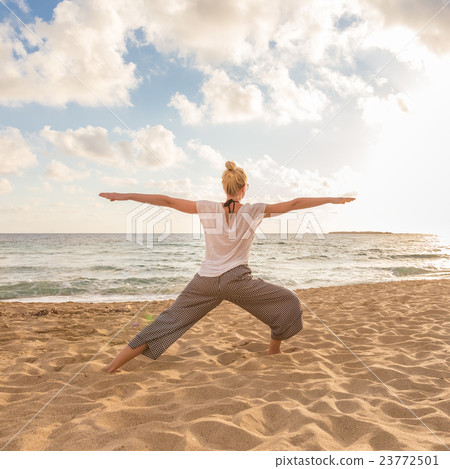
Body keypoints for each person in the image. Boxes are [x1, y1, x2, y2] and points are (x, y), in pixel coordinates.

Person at [99, 161, 355, 373]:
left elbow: (166, 200)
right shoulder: (254, 210)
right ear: (244, 188)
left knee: (167, 321)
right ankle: (274, 350)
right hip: (237, 281)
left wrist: (128, 196)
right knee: (288, 301)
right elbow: (295, 204)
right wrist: (331, 199)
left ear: (225, 187)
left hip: (205, 282)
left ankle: (112, 366)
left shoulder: (206, 207)